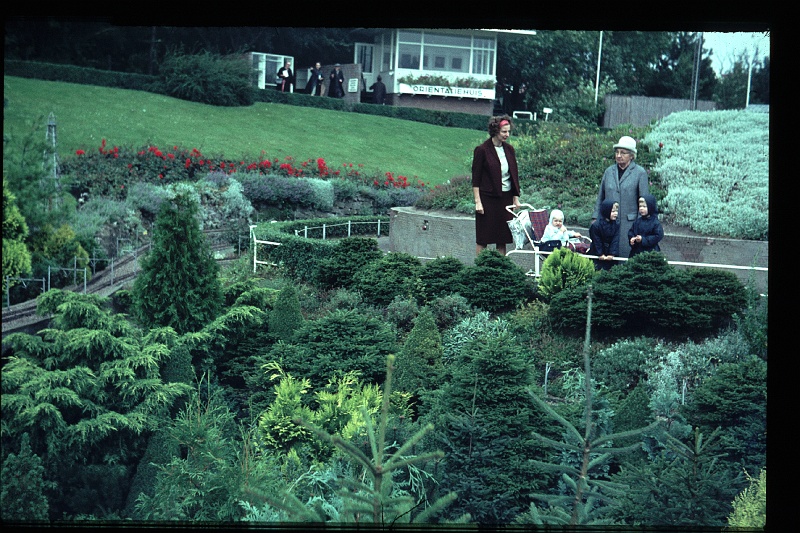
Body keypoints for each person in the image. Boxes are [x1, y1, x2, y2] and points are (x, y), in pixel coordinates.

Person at [472, 115, 522, 256]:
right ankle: (480, 270)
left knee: (502, 238)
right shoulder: (482, 150)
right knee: (483, 238)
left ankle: (500, 269)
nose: (507, 135)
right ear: (495, 131)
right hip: (487, 199)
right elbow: (476, 179)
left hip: (505, 199)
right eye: (504, 132)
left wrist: (515, 198)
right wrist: (478, 202)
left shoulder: (509, 150)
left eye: (508, 131)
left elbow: (513, 175)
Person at [592, 135, 649, 258]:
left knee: (625, 257)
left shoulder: (640, 173)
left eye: (623, 153)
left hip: (629, 225)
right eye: (617, 152)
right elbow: (600, 197)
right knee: (606, 258)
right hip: (608, 224)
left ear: (632, 155)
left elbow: (644, 201)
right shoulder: (609, 171)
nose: (618, 155)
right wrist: (595, 218)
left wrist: (641, 224)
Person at [588, 199, 620, 270]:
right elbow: (596, 240)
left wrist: (612, 253)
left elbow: (616, 239)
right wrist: (600, 253)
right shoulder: (596, 225)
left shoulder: (616, 224)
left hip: (610, 255)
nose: (616, 213)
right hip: (597, 254)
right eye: (613, 211)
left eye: (616, 211)